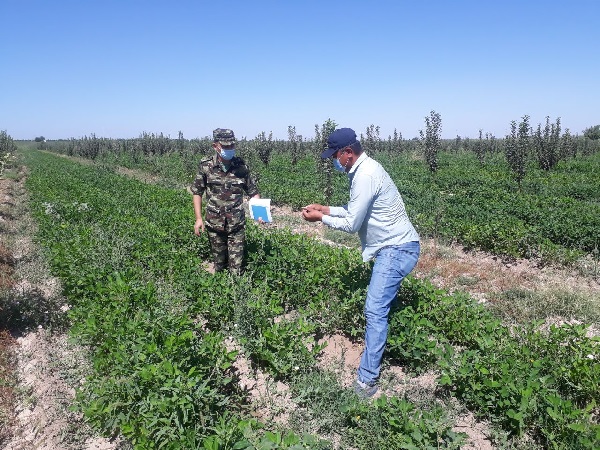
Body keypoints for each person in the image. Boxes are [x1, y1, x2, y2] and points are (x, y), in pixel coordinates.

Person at [302, 127, 420, 398]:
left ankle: (367, 382)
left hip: (397, 249)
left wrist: (320, 219)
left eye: (335, 156)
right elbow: (356, 210)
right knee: (379, 306)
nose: (334, 162)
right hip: (396, 247)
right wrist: (326, 209)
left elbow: (354, 223)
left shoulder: (365, 174)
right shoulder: (366, 170)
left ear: (348, 153)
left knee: (375, 309)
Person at [191, 128, 260, 274]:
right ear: (215, 146)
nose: (229, 149)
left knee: (236, 270)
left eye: (232, 145)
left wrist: (260, 212)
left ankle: (236, 291)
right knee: (219, 266)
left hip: (236, 225)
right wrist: (198, 219)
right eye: (225, 146)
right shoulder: (206, 166)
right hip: (214, 224)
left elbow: (253, 192)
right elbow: (197, 192)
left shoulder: (241, 167)